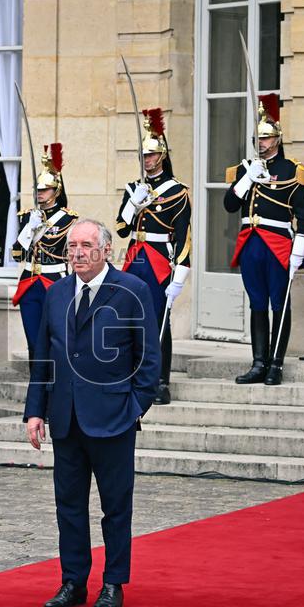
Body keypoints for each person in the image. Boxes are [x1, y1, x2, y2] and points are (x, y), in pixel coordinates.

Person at [23, 218, 161, 607]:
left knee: (116, 507)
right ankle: (73, 581)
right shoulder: (57, 293)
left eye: (85, 245)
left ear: (104, 250)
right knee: (68, 505)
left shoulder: (131, 291)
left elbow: (149, 360)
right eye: (71, 247)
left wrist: (133, 407)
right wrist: (36, 410)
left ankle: (114, 583)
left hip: (113, 418)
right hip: (65, 418)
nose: (77, 253)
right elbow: (43, 357)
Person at [223, 94, 304, 386]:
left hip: (278, 244)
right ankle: (258, 362)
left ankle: (276, 363)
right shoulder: (244, 170)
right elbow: (229, 205)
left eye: (266, 138)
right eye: (258, 138)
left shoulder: (292, 171)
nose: (261, 143)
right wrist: (248, 178)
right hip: (250, 243)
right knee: (257, 304)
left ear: (277, 139)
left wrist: (298, 252)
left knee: (280, 304)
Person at [115, 109, 192, 405]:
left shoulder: (177, 191)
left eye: (151, 156)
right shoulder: (134, 188)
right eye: (143, 156)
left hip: (160, 259)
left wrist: (180, 274)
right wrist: (132, 206)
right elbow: (122, 229)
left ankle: (161, 380)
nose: (146, 161)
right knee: (129, 318)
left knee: (160, 319)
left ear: (161, 157)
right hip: (135, 256)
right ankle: (131, 372)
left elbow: (183, 236)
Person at [11, 143, 78, 361]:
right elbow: (17, 255)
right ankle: (37, 391)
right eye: (37, 190)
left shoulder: (68, 219)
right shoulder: (26, 217)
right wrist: (30, 227)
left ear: (56, 191)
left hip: (55, 280)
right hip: (29, 281)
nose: (39, 194)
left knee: (55, 340)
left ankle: (54, 390)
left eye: (45, 190)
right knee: (34, 341)